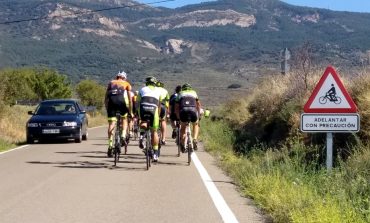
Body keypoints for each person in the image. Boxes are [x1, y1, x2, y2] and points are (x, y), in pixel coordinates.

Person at [104, 70, 132, 157]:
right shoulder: (126, 83)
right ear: (124, 78)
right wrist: (130, 111)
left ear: (117, 77)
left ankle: (110, 145)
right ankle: (123, 135)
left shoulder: (110, 83)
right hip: (121, 102)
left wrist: (107, 108)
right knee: (124, 119)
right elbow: (130, 99)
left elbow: (106, 98)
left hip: (111, 103)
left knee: (112, 124)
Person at [137, 76, 162, 162]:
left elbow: (137, 103)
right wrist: (158, 116)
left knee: (143, 122)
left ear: (146, 83)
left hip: (143, 108)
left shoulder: (142, 89)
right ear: (155, 83)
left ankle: (142, 136)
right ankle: (155, 154)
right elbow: (159, 106)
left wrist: (137, 113)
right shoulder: (158, 91)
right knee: (154, 131)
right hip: (153, 110)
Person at [175, 83, 201, 152]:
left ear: (183, 88)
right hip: (193, 111)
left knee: (183, 128)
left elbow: (176, 107)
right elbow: (198, 105)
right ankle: (195, 139)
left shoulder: (180, 93)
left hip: (183, 111)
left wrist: (178, 117)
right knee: (196, 124)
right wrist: (199, 115)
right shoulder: (194, 93)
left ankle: (183, 144)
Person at [156, 80, 170, 145]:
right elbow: (168, 100)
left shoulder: (153, 90)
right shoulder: (165, 91)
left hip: (155, 106)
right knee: (163, 121)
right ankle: (163, 139)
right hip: (162, 106)